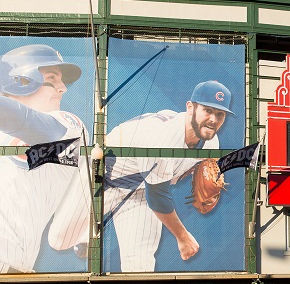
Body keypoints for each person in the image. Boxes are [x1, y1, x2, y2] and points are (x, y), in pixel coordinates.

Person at [102, 80, 234, 272]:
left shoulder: (211, 140)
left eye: (220, 114)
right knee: (59, 239)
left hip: (141, 189)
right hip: (105, 177)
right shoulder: (164, 137)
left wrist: (210, 181)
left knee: (140, 262)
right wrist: (183, 237)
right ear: (191, 107)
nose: (213, 119)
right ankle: (83, 236)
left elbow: (206, 166)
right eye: (208, 110)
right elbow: (157, 196)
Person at [0, 44, 88, 273]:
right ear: (21, 81)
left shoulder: (69, 126)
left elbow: (33, 125)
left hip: (8, 268)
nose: (63, 89)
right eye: (52, 78)